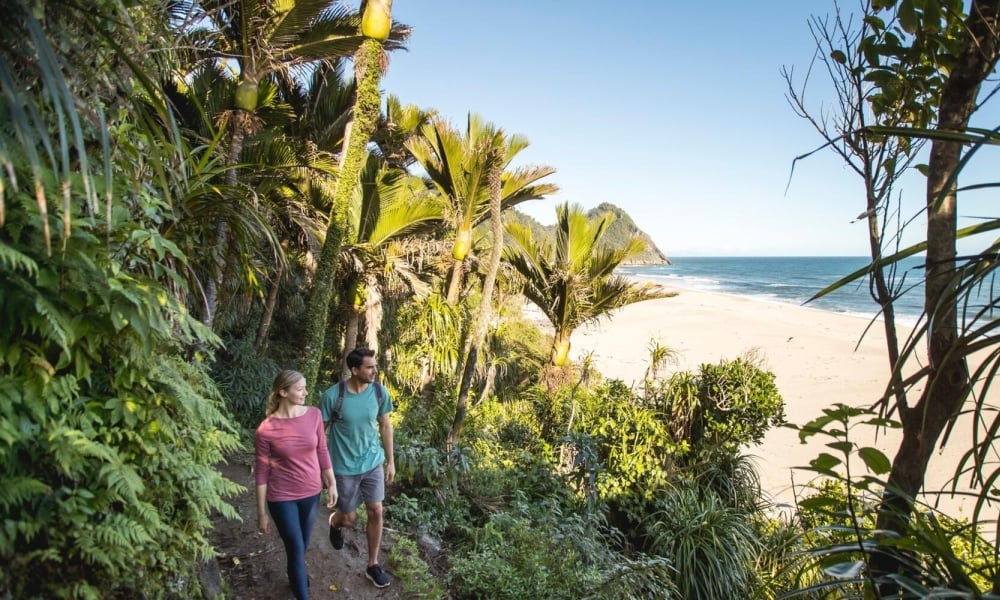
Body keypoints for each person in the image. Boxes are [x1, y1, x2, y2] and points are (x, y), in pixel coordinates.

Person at [255, 370, 337, 600]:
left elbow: (322, 450)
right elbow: (261, 472)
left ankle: (295, 575)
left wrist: (331, 483)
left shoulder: (314, 415)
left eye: (305, 387)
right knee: (295, 548)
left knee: (301, 545)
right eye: (300, 389)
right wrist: (261, 512)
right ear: (283, 392)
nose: (306, 392)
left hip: (311, 494)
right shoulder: (266, 429)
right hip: (281, 497)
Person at [320, 347, 395, 589]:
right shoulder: (333, 396)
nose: (375, 370)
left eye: (375, 366)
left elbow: (385, 426)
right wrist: (322, 468)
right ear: (354, 370)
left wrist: (390, 461)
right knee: (349, 518)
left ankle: (373, 565)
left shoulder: (379, 392)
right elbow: (319, 433)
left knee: (376, 510)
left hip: (372, 462)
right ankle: (336, 523)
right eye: (369, 367)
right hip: (343, 467)